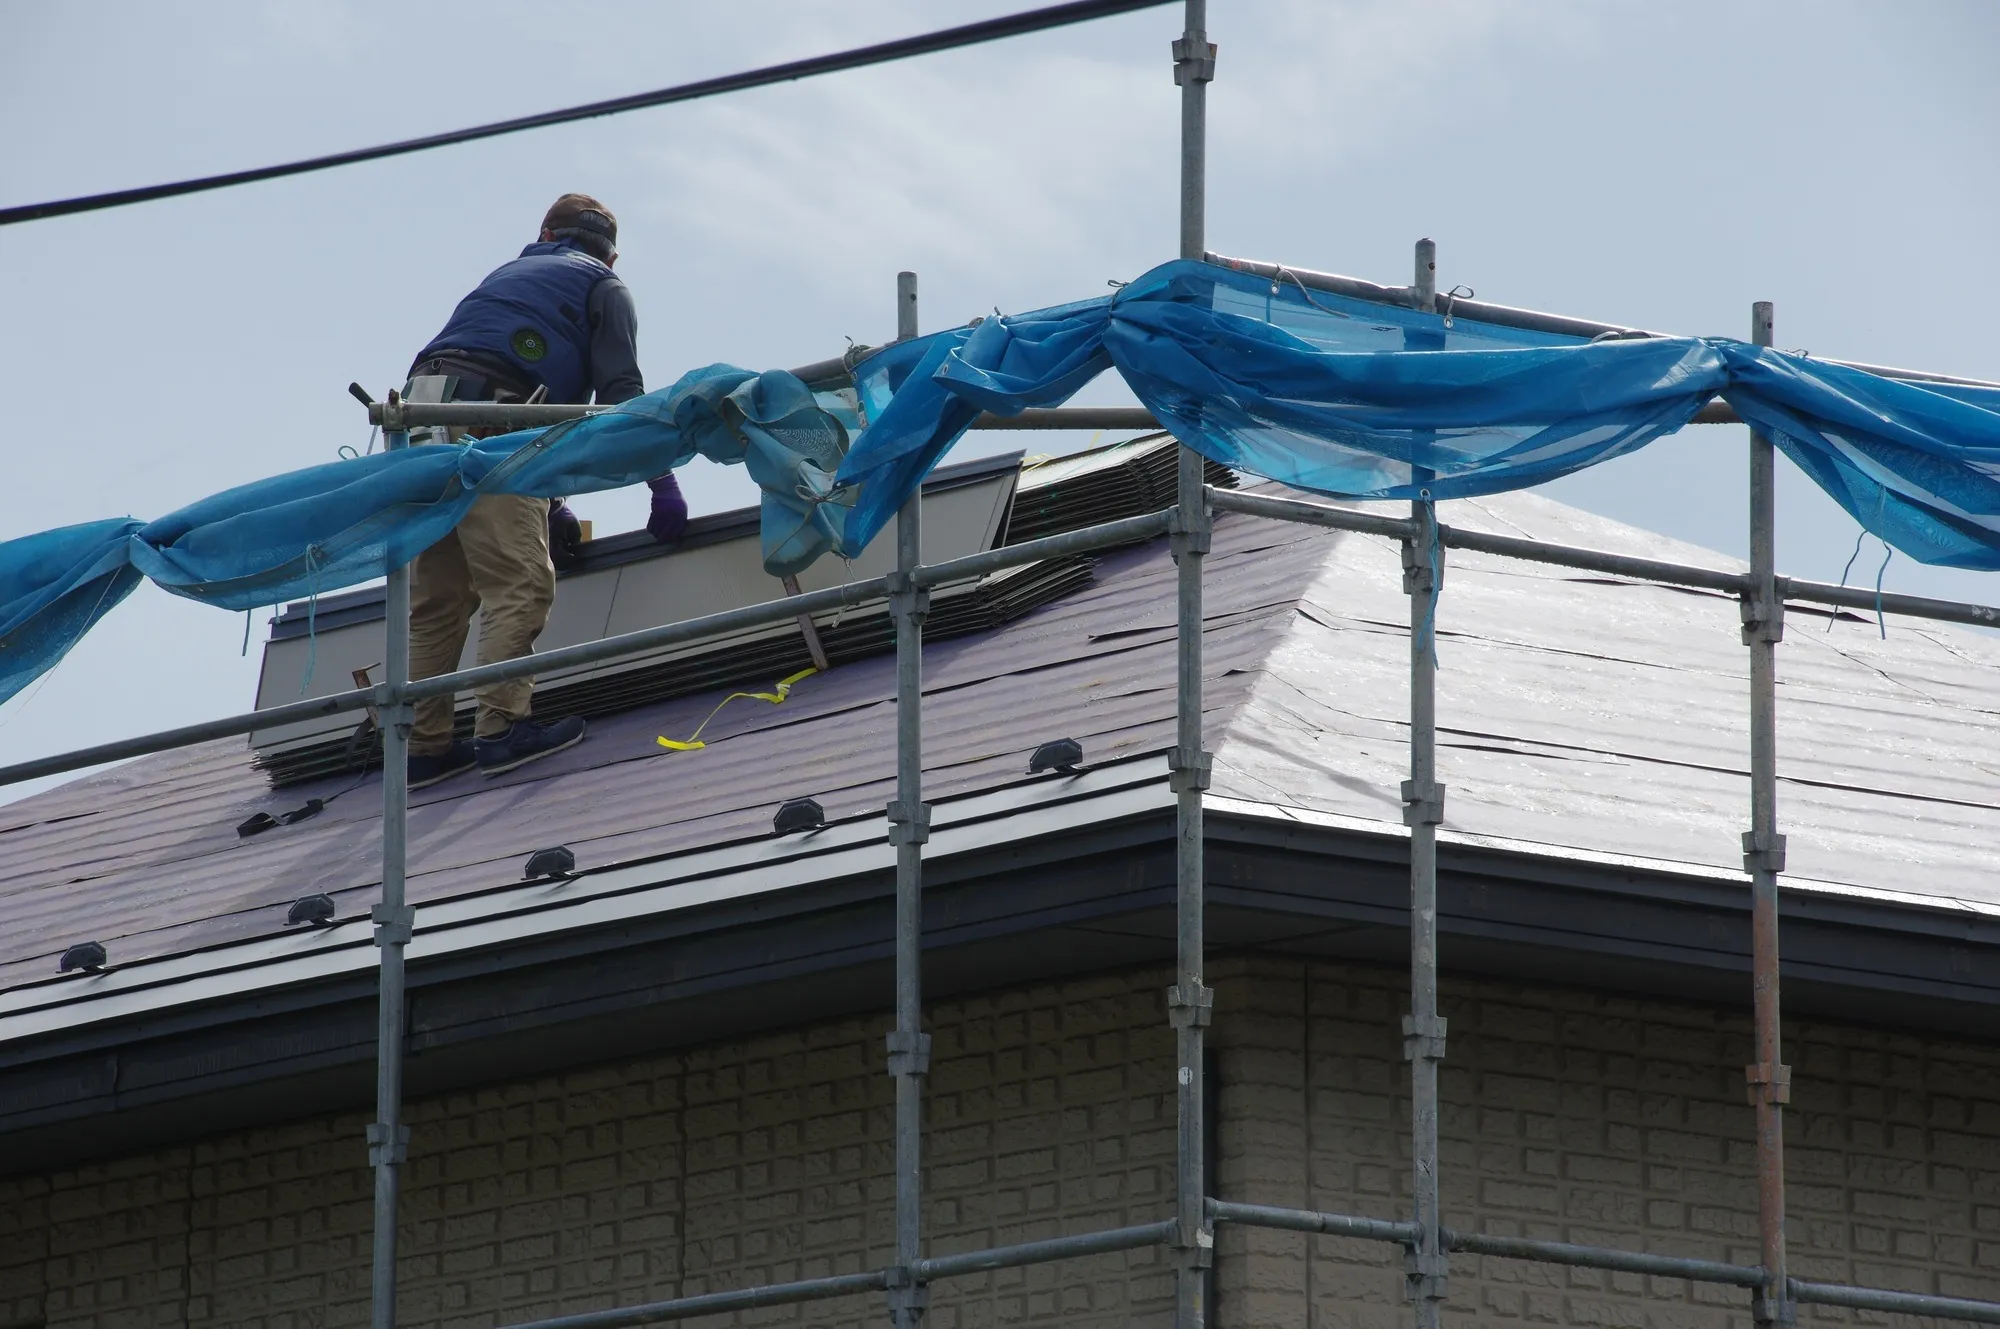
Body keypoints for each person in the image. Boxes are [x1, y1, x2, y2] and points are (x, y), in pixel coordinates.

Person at [402, 193, 686, 787]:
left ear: (544, 232)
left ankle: (423, 747)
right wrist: (662, 482)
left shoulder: (506, 277)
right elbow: (620, 399)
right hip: (495, 426)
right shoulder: (601, 286)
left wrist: (552, 501)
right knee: (520, 583)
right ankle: (503, 729)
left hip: (416, 425)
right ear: (613, 255)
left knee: (441, 598)